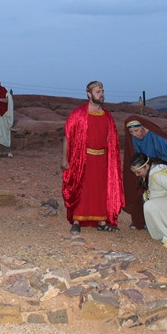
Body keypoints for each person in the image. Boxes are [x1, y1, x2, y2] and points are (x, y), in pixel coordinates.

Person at [61, 81, 124, 234]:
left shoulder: (107, 116)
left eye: (102, 91)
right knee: (81, 188)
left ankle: (102, 222)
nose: (101, 94)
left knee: (101, 190)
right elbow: (68, 137)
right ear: (89, 94)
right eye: (98, 91)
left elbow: (112, 140)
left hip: (102, 159)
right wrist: (64, 158)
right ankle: (76, 221)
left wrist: (113, 162)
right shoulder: (78, 114)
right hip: (82, 158)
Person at [123, 115, 167, 230]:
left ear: (142, 127)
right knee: (143, 194)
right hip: (144, 170)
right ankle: (144, 221)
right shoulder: (134, 139)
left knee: (160, 194)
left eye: (137, 130)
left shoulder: (155, 135)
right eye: (131, 132)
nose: (135, 134)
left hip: (160, 169)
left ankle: (165, 223)